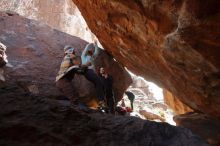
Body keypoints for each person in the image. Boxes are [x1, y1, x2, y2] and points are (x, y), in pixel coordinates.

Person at [81, 42, 105, 108]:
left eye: (91, 52)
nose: (90, 53)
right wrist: (90, 44)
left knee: (98, 84)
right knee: (99, 82)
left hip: (90, 72)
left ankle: (100, 101)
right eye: (90, 52)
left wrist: (96, 45)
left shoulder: (92, 58)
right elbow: (85, 50)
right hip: (87, 71)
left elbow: (97, 52)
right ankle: (101, 101)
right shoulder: (83, 56)